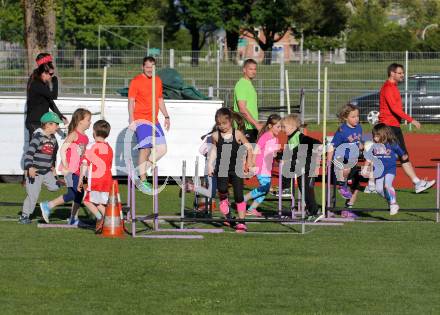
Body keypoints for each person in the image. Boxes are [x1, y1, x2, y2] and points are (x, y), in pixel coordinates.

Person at [379, 63, 435, 193]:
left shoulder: (393, 87)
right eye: (400, 73)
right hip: (389, 127)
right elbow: (394, 109)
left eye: (402, 73)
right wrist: (411, 120)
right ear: (392, 73)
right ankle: (372, 183)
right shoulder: (388, 88)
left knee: (401, 155)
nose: (402, 75)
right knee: (396, 155)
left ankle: (417, 182)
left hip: (393, 126)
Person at [40, 108, 92, 225]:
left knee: (80, 193)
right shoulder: (74, 134)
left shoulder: (86, 138)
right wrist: (66, 164)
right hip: (71, 170)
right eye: (88, 120)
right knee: (74, 193)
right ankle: (48, 205)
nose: (90, 123)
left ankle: (74, 218)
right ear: (80, 121)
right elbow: (63, 149)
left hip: (81, 171)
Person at [128, 56, 170, 193]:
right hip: (141, 119)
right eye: (147, 67)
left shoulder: (157, 81)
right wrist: (131, 119)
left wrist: (166, 116)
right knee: (145, 149)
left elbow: (160, 99)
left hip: (155, 120)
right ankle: (143, 179)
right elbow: (131, 101)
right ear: (142, 67)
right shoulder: (136, 81)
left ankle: (142, 170)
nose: (150, 70)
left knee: (162, 148)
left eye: (152, 67)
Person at [207, 108, 253, 232]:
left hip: (237, 168)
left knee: (239, 195)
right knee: (222, 189)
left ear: (230, 121)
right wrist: (210, 165)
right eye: (219, 124)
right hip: (222, 168)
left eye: (224, 124)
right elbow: (214, 150)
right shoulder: (215, 135)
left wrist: (248, 163)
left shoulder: (237, 134)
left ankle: (242, 222)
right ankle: (224, 200)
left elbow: (249, 148)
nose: (222, 127)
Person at [19, 112, 62, 224]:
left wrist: (52, 167)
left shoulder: (53, 139)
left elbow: (50, 155)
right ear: (48, 125)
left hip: (47, 171)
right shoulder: (37, 137)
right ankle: (24, 216)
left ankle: (45, 205)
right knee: (33, 196)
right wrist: (30, 168)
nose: (58, 127)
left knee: (56, 187)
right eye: (56, 124)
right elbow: (29, 154)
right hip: (35, 172)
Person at [280, 114, 322, 221]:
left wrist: (318, 145)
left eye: (284, 127)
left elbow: (313, 141)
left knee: (306, 190)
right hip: (300, 167)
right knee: (303, 189)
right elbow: (288, 154)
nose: (282, 129)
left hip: (307, 167)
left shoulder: (299, 136)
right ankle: (314, 211)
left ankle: (287, 188)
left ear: (293, 127)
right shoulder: (290, 139)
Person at [362, 123, 407, 215]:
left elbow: (401, 152)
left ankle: (393, 203)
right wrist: (365, 167)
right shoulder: (374, 146)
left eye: (377, 136)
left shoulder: (392, 144)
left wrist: (403, 156)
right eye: (374, 136)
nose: (375, 138)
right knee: (378, 189)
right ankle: (390, 201)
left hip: (390, 169)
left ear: (384, 134)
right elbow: (369, 158)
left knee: (387, 185)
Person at [78, 120, 113, 233]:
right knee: (98, 202)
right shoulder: (109, 148)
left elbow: (84, 164)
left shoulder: (91, 146)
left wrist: (81, 180)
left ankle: (100, 218)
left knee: (87, 200)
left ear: (94, 132)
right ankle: (111, 220)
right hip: (107, 179)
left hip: (95, 179)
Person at [244, 114, 281, 217]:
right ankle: (242, 200)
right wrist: (252, 163)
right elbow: (256, 150)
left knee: (265, 190)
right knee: (265, 188)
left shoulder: (276, 139)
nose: (280, 129)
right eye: (277, 126)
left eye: (281, 126)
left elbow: (274, 153)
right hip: (261, 166)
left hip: (268, 168)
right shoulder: (265, 136)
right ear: (270, 126)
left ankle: (251, 209)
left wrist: (276, 154)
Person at [25, 53, 68, 138]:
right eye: (51, 74)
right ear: (43, 73)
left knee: (52, 146)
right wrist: (55, 81)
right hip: (35, 124)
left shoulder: (43, 83)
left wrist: (60, 116)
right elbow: (53, 96)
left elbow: (50, 101)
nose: (52, 76)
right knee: (37, 149)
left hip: (43, 122)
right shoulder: (36, 84)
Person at [328, 104, 363, 205]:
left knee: (355, 179)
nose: (356, 119)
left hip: (352, 159)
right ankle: (341, 186)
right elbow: (332, 146)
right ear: (345, 118)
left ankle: (348, 205)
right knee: (346, 168)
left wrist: (361, 145)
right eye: (353, 117)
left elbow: (358, 141)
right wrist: (329, 161)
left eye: (357, 116)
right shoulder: (342, 131)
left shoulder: (359, 128)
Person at [233, 58, 262, 143]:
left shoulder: (249, 84)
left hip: (251, 127)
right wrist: (256, 124)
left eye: (255, 69)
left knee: (252, 154)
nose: (253, 71)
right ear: (244, 70)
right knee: (246, 155)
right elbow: (242, 109)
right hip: (244, 127)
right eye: (250, 69)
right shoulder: (242, 85)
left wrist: (256, 123)